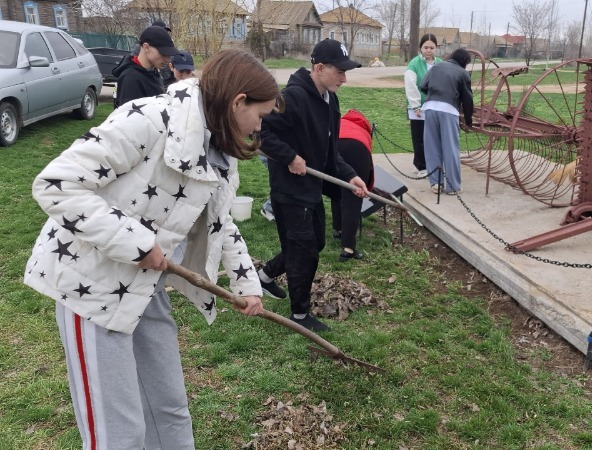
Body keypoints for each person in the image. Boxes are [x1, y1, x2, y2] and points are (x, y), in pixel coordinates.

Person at [24, 49, 282, 448]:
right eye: (260, 115)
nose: (258, 127)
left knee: (170, 408)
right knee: (118, 430)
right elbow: (56, 184)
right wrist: (136, 242)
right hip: (91, 288)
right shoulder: (147, 119)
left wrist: (247, 283)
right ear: (237, 102)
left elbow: (220, 221)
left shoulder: (218, 149)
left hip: (147, 288)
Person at [257, 39, 368, 332]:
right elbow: (261, 132)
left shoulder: (330, 99)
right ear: (319, 68)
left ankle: (265, 276)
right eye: (340, 72)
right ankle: (299, 315)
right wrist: (290, 157)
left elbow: (331, 152)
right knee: (304, 251)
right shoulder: (291, 98)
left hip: (311, 187)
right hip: (290, 189)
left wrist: (350, 176)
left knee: (314, 242)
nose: (344, 78)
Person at [420, 47, 474, 195]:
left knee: (432, 147)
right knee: (450, 149)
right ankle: (453, 187)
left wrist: (433, 94)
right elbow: (468, 100)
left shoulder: (436, 66)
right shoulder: (463, 73)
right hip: (449, 110)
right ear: (464, 61)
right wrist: (468, 120)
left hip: (430, 108)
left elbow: (423, 85)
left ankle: (436, 184)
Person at [331, 109, 375, 261]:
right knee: (354, 198)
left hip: (335, 148)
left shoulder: (341, 122)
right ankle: (348, 248)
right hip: (358, 149)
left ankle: (338, 229)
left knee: (336, 188)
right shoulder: (363, 130)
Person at [112, 25, 178, 108]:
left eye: (169, 55)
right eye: (163, 53)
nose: (168, 59)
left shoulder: (153, 72)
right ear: (146, 47)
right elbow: (130, 117)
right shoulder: (131, 78)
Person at [405, 33, 442, 177]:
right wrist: (415, 105)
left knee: (432, 137)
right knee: (419, 137)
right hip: (419, 107)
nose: (428, 50)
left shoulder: (439, 63)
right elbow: (410, 85)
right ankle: (421, 166)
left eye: (431, 47)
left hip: (434, 105)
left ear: (436, 48)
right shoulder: (414, 63)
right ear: (421, 48)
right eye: (425, 47)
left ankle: (428, 164)